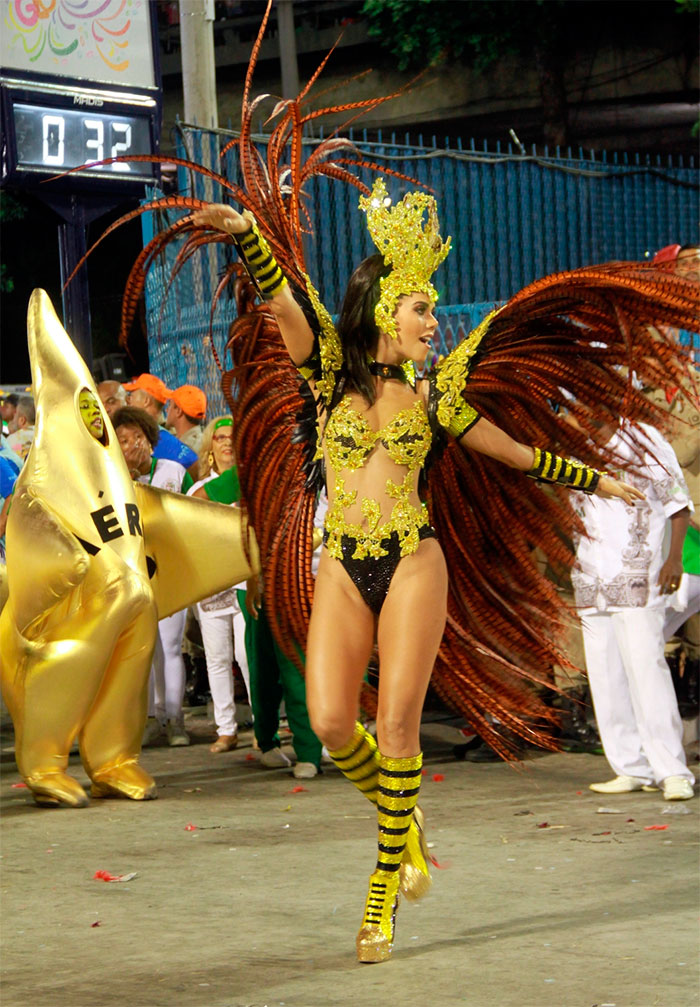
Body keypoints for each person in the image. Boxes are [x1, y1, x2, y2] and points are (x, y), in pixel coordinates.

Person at [190, 189, 650, 963]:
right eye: (418, 307)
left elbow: (513, 452)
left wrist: (596, 480)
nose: (431, 323)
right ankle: (406, 820)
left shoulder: (439, 399)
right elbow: (285, 304)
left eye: (432, 311)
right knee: (336, 723)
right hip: (341, 562)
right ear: (380, 312)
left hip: (412, 562)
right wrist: (245, 237)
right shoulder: (329, 375)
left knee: (399, 729)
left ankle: (382, 889)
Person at [572, 419, 695, 801]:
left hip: (638, 572)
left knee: (646, 668)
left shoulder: (642, 437)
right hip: (592, 575)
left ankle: (672, 770)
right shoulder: (574, 444)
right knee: (606, 674)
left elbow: (678, 501)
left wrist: (672, 559)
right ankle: (630, 766)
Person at [112, 406, 193, 746]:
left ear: (147, 439)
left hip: (171, 569)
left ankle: (174, 720)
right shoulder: (113, 477)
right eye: (120, 440)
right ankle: (148, 718)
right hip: (134, 574)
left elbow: (194, 513)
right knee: (143, 648)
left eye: (132, 438)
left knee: (171, 646)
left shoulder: (173, 470)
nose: (127, 446)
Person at [187, 417, 250, 753]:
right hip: (211, 582)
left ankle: (263, 721)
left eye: (232, 437)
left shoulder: (249, 482)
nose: (227, 443)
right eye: (220, 438)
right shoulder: (197, 490)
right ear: (210, 446)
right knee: (217, 657)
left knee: (246, 653)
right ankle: (226, 728)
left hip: (245, 581)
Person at [123, 373, 198, 470]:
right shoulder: (167, 434)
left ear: (146, 401)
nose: (129, 402)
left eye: (132, 395)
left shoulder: (161, 437)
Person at [166, 384, 207, 455]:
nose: (167, 410)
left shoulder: (186, 449)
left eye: (170, 405)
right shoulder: (203, 441)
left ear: (178, 411)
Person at [6, 395, 35, 460]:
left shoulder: (11, 440)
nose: (13, 417)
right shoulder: (49, 437)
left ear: (22, 420)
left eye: (15, 413)